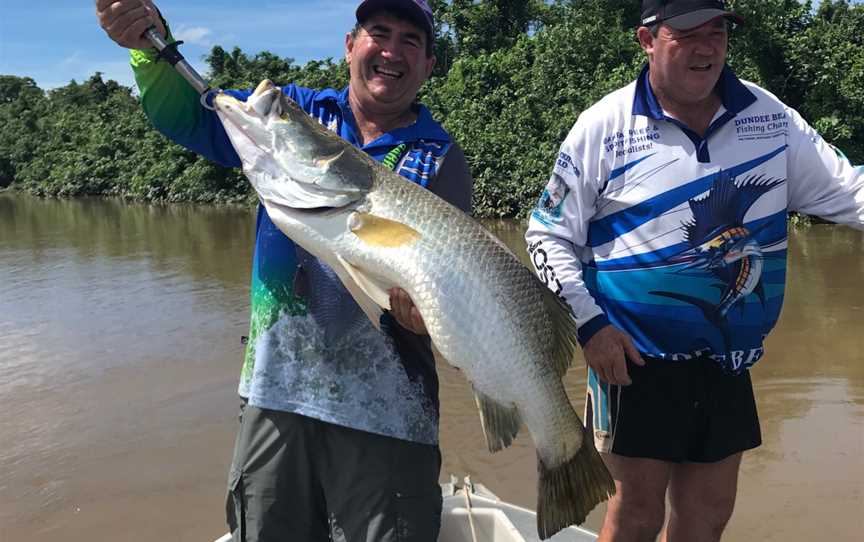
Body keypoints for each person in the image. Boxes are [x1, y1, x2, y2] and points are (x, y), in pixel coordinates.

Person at [96, 0, 474, 540]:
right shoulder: (294, 113)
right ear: (350, 46)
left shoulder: (440, 158)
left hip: (389, 416)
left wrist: (428, 317)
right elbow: (193, 117)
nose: (391, 51)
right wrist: (149, 54)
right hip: (276, 396)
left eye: (410, 41)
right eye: (379, 32)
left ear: (429, 64)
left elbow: (451, 291)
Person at [525, 0, 863, 541]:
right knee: (634, 517)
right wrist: (591, 327)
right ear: (646, 40)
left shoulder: (768, 117)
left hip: (729, 360)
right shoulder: (604, 127)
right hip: (631, 361)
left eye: (718, 31)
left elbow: (849, 192)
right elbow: (547, 233)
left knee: (706, 519)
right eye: (687, 34)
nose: (707, 47)